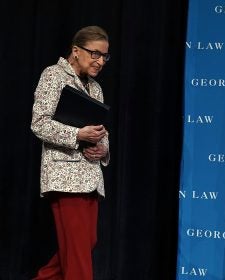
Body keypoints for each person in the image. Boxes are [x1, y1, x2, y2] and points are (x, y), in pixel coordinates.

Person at [31, 25, 111, 280]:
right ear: (76, 51)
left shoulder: (95, 88)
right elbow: (39, 123)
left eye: (104, 56)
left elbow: (101, 131)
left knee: (83, 245)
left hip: (90, 178)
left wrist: (102, 148)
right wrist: (78, 135)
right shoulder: (53, 75)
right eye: (95, 54)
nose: (100, 61)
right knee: (77, 256)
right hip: (64, 177)